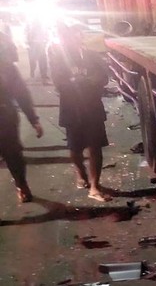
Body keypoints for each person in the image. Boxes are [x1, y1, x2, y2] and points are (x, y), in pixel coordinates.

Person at [49, 24, 112, 202]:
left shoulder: (91, 56)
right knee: (75, 148)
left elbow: (103, 78)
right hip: (71, 108)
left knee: (95, 146)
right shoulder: (58, 59)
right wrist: (83, 81)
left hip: (92, 107)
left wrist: (86, 81)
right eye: (69, 37)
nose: (74, 40)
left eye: (77, 37)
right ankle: (80, 172)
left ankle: (95, 186)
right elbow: (59, 83)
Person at [0, 31, 43, 203]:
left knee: (14, 155)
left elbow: (22, 95)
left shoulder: (7, 68)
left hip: (5, 119)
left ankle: (21, 184)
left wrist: (34, 120)